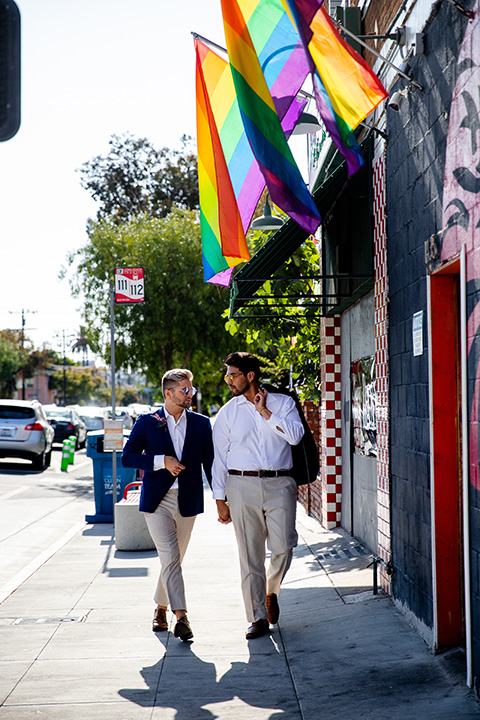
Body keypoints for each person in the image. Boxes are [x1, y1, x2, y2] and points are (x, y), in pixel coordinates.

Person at [212, 352, 304, 639]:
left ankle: (271, 591)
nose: (228, 380)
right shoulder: (228, 412)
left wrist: (265, 412)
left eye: (232, 375)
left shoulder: (283, 403)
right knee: (250, 556)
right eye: (227, 375)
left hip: (280, 484)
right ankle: (257, 618)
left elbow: (295, 436)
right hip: (241, 486)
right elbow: (219, 458)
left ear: (250, 376)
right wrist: (219, 498)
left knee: (284, 548)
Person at [122, 368, 213, 641]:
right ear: (168, 393)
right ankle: (182, 617)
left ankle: (160, 608)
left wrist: (222, 498)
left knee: (173, 559)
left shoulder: (200, 423)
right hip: (157, 501)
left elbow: (210, 463)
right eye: (185, 390)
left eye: (191, 389)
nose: (190, 394)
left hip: (188, 500)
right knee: (171, 557)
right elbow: (128, 457)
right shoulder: (148, 422)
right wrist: (162, 461)